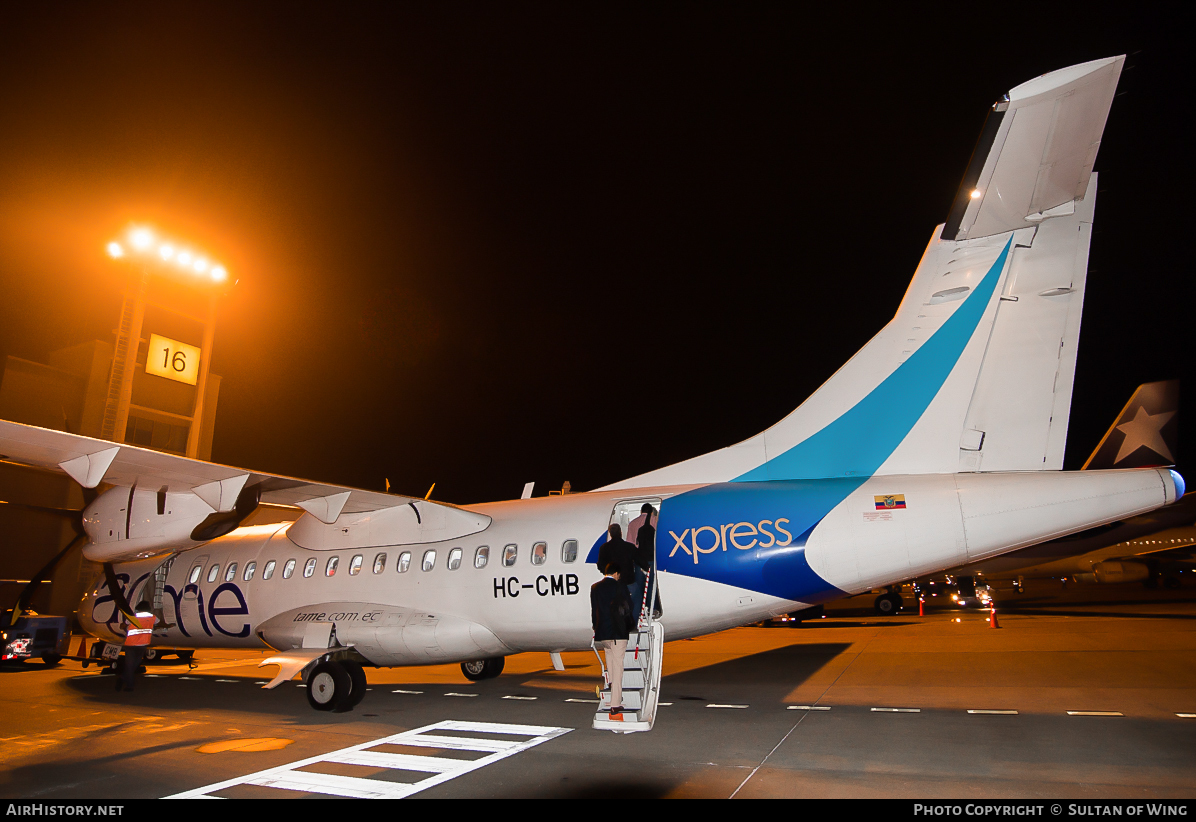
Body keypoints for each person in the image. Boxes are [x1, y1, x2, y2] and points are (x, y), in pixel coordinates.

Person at [591, 561, 633, 720]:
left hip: (603, 634)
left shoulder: (595, 588)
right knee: (618, 669)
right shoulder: (619, 586)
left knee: (610, 665)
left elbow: (593, 610)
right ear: (616, 573)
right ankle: (615, 704)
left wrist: (596, 628)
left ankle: (610, 690)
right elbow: (629, 605)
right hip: (617, 633)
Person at [117, 601, 155, 693]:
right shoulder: (153, 617)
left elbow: (122, 625)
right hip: (142, 645)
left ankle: (123, 679)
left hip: (131, 645)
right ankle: (129, 684)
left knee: (130, 666)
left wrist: (124, 626)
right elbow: (158, 623)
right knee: (135, 664)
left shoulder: (133, 617)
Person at [633, 503, 662, 619]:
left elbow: (632, 544)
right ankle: (653, 609)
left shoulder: (633, 523)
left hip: (639, 560)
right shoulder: (657, 522)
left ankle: (640, 609)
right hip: (652, 558)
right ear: (651, 512)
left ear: (641, 511)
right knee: (652, 586)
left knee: (639, 586)